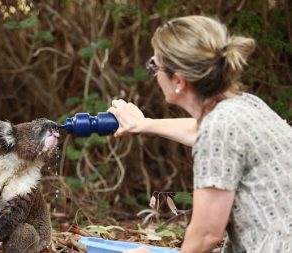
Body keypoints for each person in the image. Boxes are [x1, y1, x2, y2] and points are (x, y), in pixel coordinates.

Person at [107, 15, 292, 253]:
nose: (154, 75)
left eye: (154, 66)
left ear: (178, 80)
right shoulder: (246, 106)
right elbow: (203, 131)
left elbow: (206, 236)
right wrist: (145, 124)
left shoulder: (219, 129)